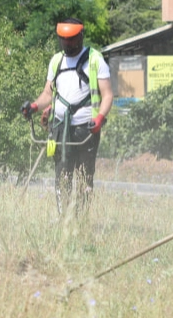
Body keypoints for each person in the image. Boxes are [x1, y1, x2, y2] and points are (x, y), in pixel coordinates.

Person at [21, 18, 113, 214]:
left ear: (80, 36)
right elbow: (48, 93)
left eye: (71, 39)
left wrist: (100, 118)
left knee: (84, 176)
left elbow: (107, 95)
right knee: (62, 174)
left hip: (86, 129)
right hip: (60, 128)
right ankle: (64, 219)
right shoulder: (56, 61)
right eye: (63, 39)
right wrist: (35, 106)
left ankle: (80, 220)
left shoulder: (95, 60)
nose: (68, 43)